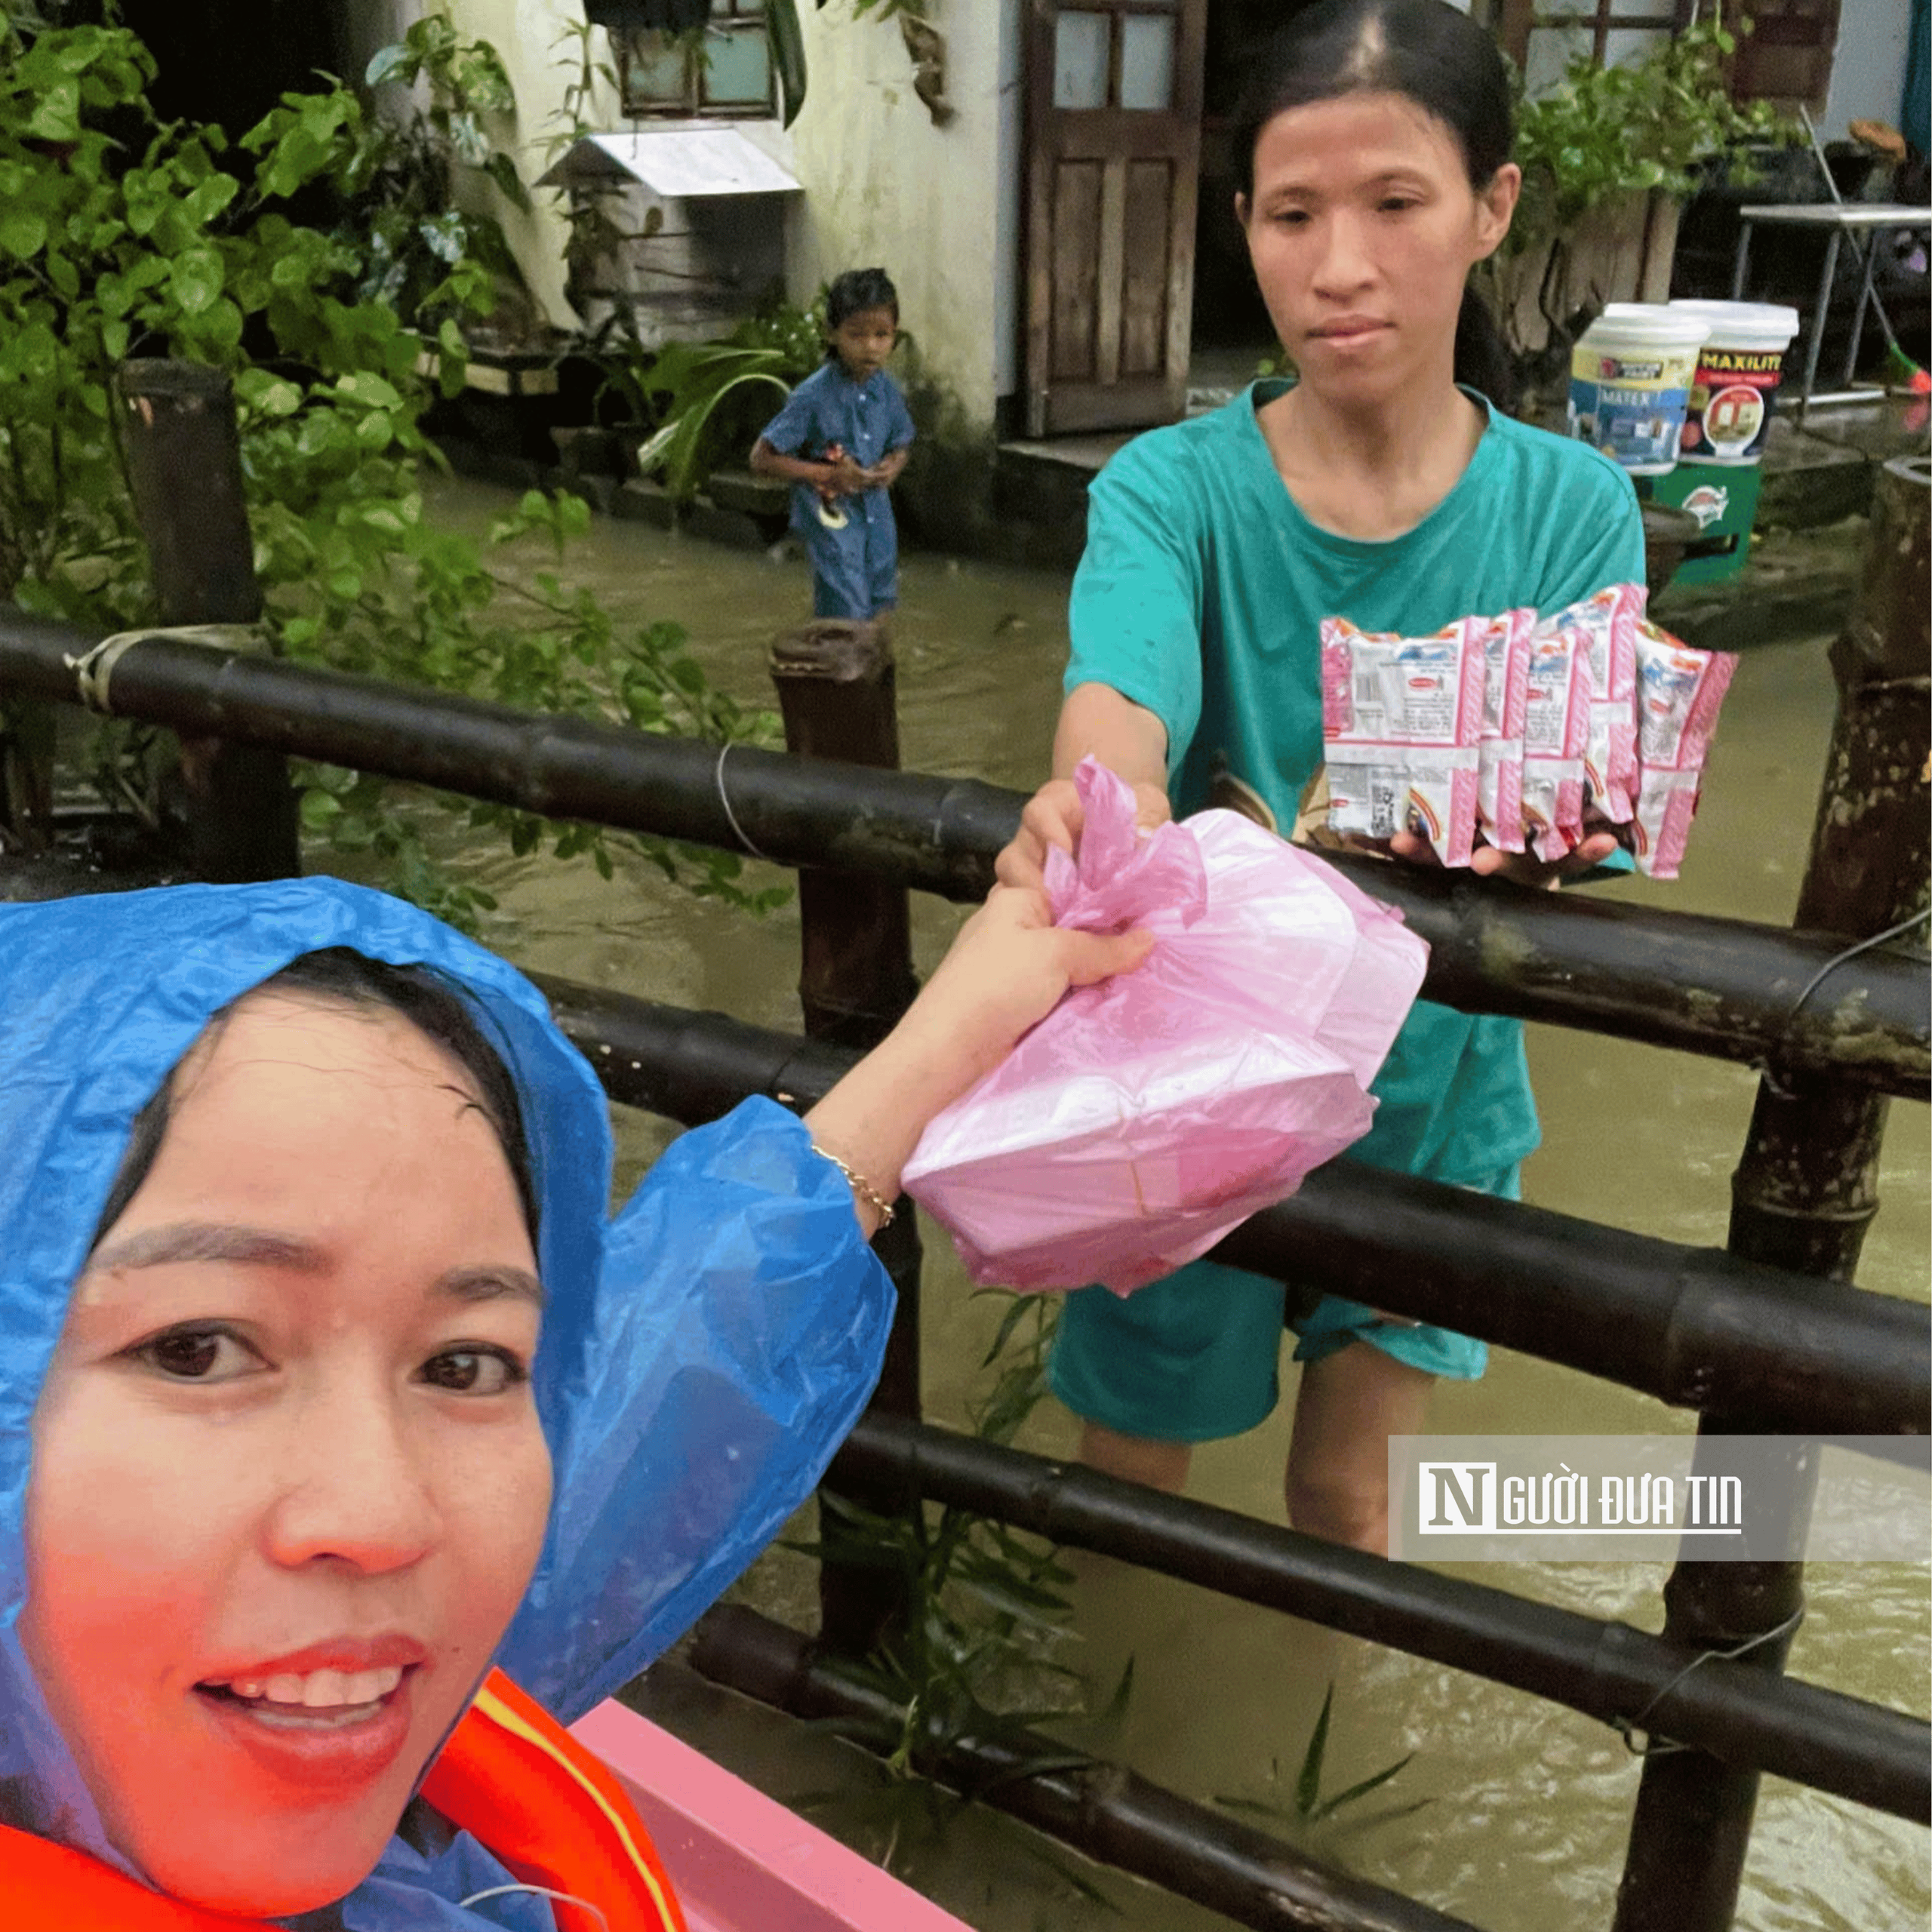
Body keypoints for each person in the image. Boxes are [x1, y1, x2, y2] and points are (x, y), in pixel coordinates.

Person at [0, 874, 1148, 1927]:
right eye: (197, 1350)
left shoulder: (355, 1659)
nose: (388, 1516)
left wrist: (969, 1019)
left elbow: (665, 1383)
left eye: (464, 1365)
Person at [996, 0, 1644, 1557]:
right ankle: (1114, 1709)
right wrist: (1101, 809)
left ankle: (1311, 1726)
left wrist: (1549, 828)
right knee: (1129, 1475)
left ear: (1490, 207)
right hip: (1186, 1078)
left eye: (1394, 202)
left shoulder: (1572, 509)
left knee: (1352, 1497)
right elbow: (1120, 695)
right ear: (1245, 227)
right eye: (1293, 215)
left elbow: (1578, 802)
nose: (1339, 266)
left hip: (1435, 1093)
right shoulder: (1169, 489)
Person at [751, 268, 915, 621]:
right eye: (857, 335)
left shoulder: (886, 389)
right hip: (832, 516)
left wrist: (893, 465)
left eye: (881, 335)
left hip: (876, 513)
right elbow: (762, 458)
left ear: (894, 334)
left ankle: (864, 656)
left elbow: (901, 443)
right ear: (832, 333)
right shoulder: (812, 395)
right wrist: (827, 474)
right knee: (846, 608)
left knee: (881, 601)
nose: (871, 346)